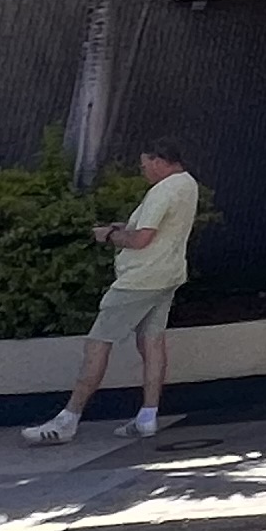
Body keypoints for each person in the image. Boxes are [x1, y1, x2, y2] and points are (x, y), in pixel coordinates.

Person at [21, 141, 200, 445]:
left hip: (138, 281)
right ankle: (147, 416)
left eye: (144, 164)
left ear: (159, 161)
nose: (142, 170)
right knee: (152, 343)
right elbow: (158, 229)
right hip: (168, 275)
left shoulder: (162, 191)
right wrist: (123, 226)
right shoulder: (188, 185)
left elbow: (142, 239)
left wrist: (111, 236)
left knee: (97, 343)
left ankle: (68, 419)